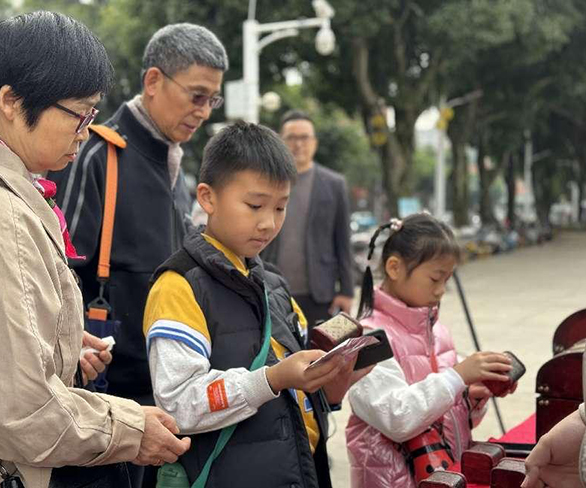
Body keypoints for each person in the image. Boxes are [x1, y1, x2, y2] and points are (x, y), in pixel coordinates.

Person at [0, 12, 189, 487]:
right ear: (11, 101)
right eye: (79, 113)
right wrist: (129, 429)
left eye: (93, 115)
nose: (85, 130)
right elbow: (10, 411)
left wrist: (60, 344)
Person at [144, 121, 372, 488]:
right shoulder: (178, 287)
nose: (268, 223)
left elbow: (305, 400)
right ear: (207, 197)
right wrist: (272, 379)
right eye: (254, 205)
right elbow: (178, 403)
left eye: (281, 208)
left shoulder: (274, 285)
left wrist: (334, 380)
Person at [48, 23, 228, 485]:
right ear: (153, 81)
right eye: (196, 95)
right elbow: (57, 272)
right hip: (104, 401)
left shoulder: (177, 165)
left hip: (163, 401)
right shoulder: (95, 154)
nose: (204, 111)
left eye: (213, 100)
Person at [345, 213, 516, 488]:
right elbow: (396, 418)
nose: (441, 291)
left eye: (447, 279)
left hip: (443, 475)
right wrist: (457, 377)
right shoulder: (369, 338)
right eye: (435, 278)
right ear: (394, 267)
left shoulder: (437, 331)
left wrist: (472, 397)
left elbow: (453, 420)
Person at [262, 110, 354, 328]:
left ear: (315, 142)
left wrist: (347, 291)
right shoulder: (266, 181)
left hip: (320, 293)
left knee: (320, 356)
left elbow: (343, 240)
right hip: (272, 290)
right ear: (280, 141)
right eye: (291, 138)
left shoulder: (334, 184)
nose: (298, 144)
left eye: (305, 138)